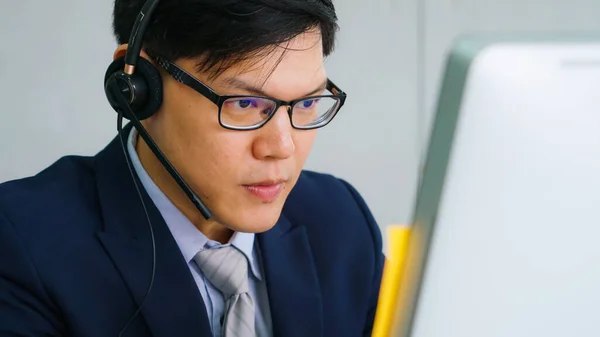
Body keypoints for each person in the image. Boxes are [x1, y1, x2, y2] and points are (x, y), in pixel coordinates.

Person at [0, 0, 384, 336]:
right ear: (136, 86)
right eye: (246, 104)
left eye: (306, 103)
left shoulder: (343, 223)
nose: (281, 148)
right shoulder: (20, 245)